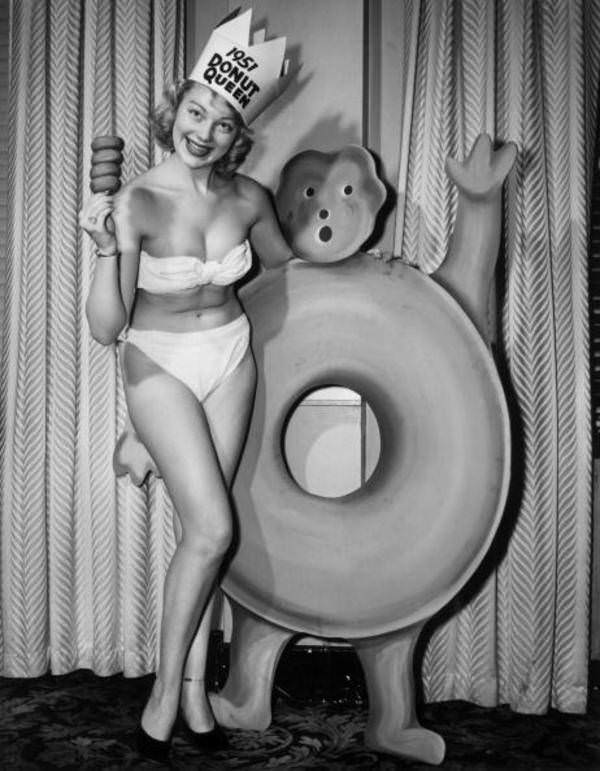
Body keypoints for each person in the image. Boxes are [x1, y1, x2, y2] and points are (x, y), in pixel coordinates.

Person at [79, 10, 295, 761]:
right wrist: (109, 250)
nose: (202, 129)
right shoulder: (136, 201)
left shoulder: (249, 199)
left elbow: (294, 263)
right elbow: (107, 327)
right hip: (159, 365)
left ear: (239, 133)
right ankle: (165, 696)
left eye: (222, 119)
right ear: (178, 105)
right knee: (214, 530)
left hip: (230, 357)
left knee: (202, 537)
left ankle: (197, 689)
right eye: (196, 109)